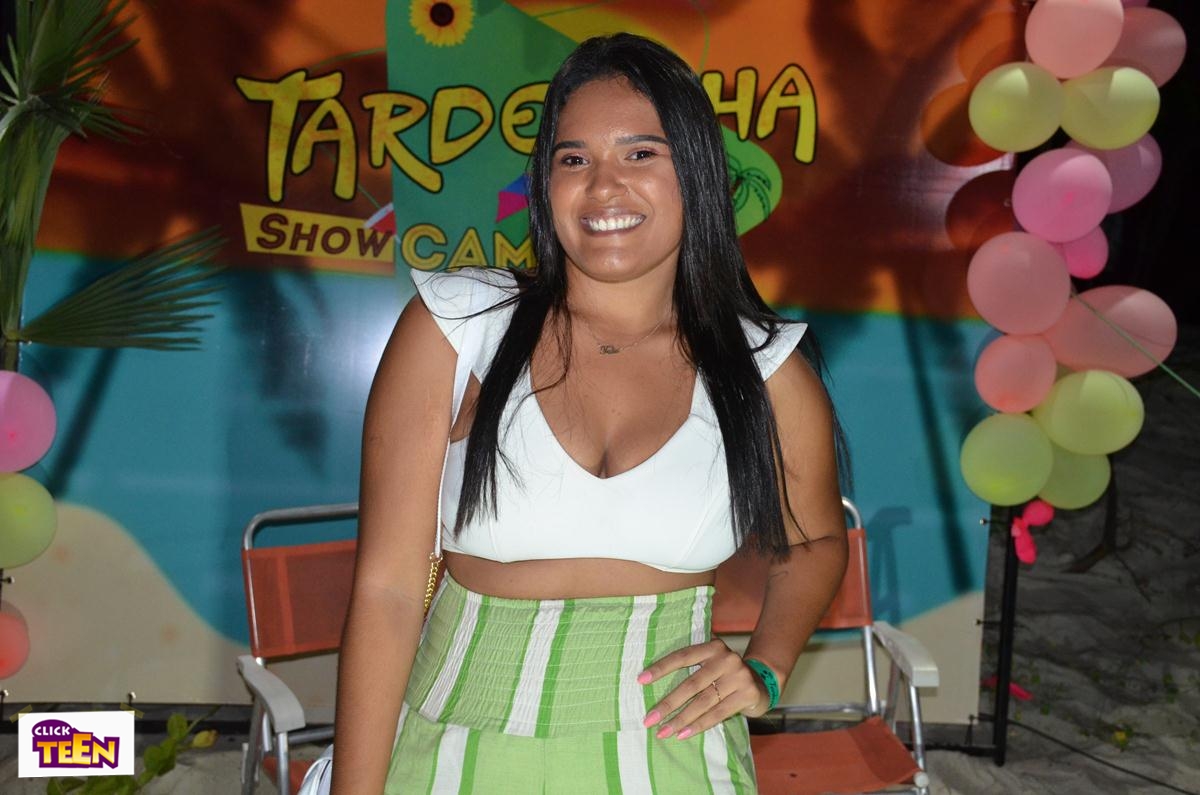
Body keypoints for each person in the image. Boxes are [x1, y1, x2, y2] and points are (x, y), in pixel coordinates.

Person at [332, 32, 848, 794]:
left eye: (640, 154)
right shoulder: (457, 329)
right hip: (452, 754)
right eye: (573, 159)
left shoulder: (763, 370)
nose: (604, 187)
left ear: (697, 173)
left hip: (674, 761)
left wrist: (765, 667)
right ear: (545, 184)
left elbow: (816, 541)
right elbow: (387, 591)